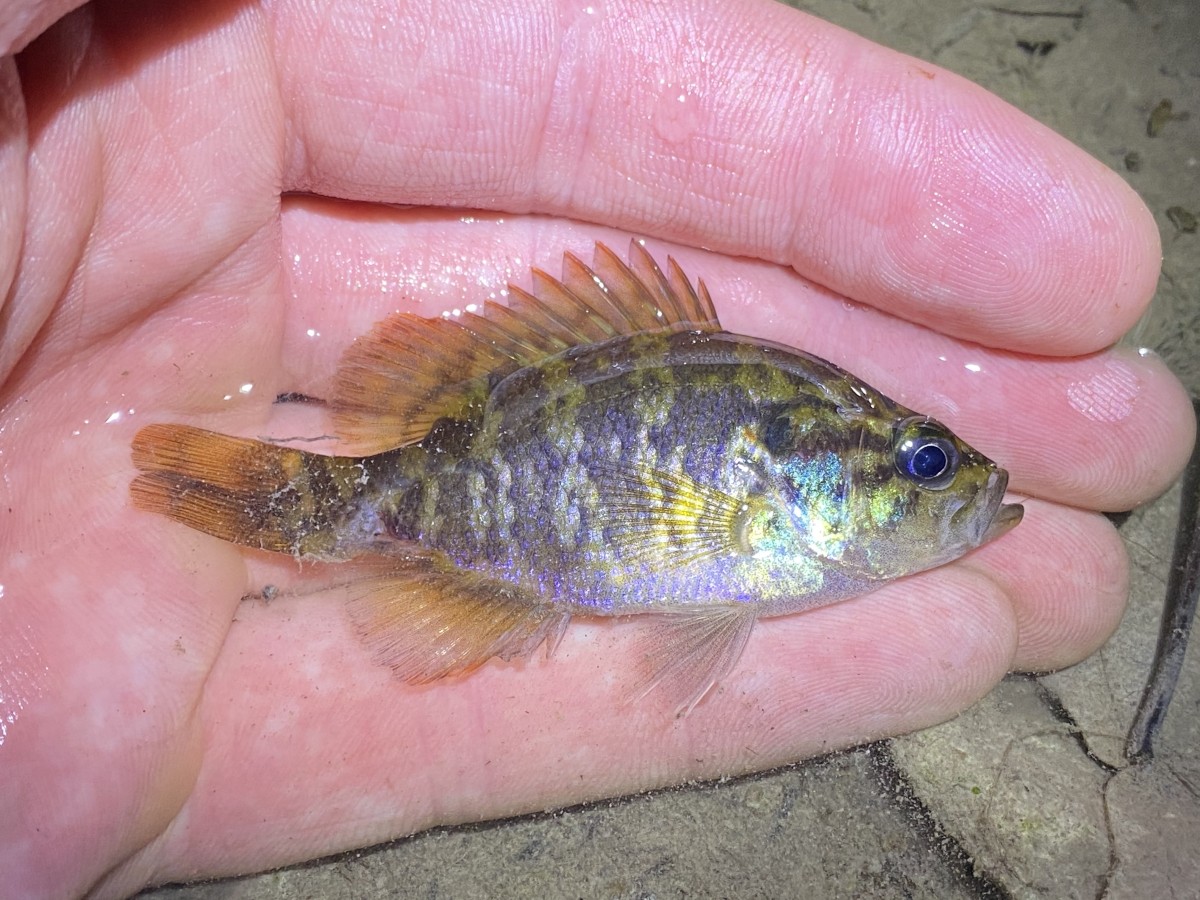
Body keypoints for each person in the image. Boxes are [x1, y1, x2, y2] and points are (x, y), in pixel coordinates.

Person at [0, 0, 1192, 896]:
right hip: (451, 496)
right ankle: (307, 503)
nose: (955, 483)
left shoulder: (783, 466)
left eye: (932, 465)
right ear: (807, 470)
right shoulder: (773, 468)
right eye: (927, 465)